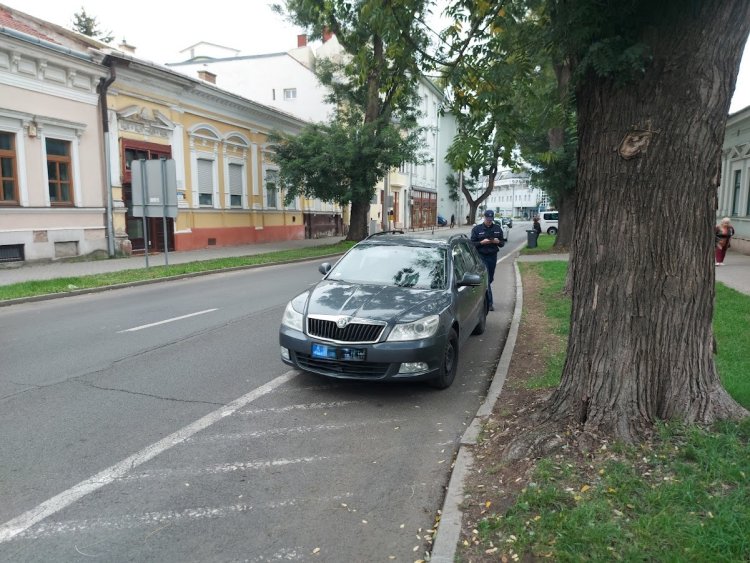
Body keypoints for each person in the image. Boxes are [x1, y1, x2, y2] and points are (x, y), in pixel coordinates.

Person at [470, 209, 505, 311]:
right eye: (487, 219)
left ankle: (481, 297)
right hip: (481, 256)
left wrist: (497, 241)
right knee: (486, 278)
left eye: (491, 219)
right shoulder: (477, 229)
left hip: (492, 256)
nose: (489, 221)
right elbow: (472, 244)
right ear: (484, 218)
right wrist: (482, 243)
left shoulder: (497, 228)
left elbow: (502, 243)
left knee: (489, 279)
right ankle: (489, 303)